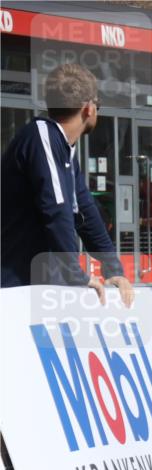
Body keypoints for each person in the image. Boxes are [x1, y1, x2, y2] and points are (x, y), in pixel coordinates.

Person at [1, 63, 133, 306]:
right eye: (98, 106)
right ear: (88, 108)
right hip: (12, 289)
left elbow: (86, 211)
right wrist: (75, 275)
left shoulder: (65, 151)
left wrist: (113, 268)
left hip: (37, 288)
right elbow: (57, 209)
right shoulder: (41, 135)